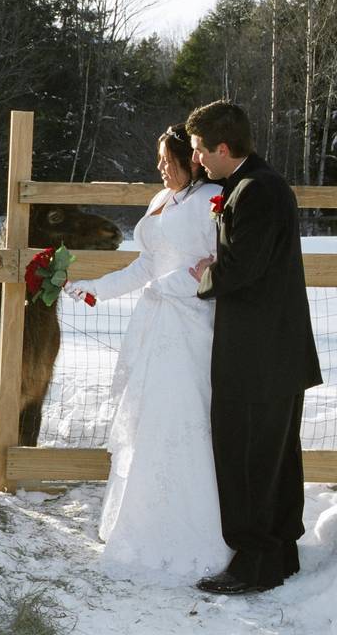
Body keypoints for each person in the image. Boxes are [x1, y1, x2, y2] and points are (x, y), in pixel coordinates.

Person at [64, 124, 232, 585]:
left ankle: (192, 536)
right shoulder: (163, 202)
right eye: (158, 158)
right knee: (145, 422)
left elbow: (218, 267)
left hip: (189, 326)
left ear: (192, 160)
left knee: (180, 422)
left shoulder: (210, 201)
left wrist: (170, 286)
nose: (159, 167)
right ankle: (137, 527)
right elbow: (145, 265)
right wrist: (94, 290)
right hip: (154, 323)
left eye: (167, 159)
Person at [186, 101, 322, 594]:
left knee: (246, 457)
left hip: (258, 356)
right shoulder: (255, 185)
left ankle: (253, 563)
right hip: (275, 353)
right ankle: (280, 553)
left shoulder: (256, 191)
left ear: (224, 148)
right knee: (275, 457)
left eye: (201, 150)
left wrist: (205, 273)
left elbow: (242, 269)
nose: (197, 159)